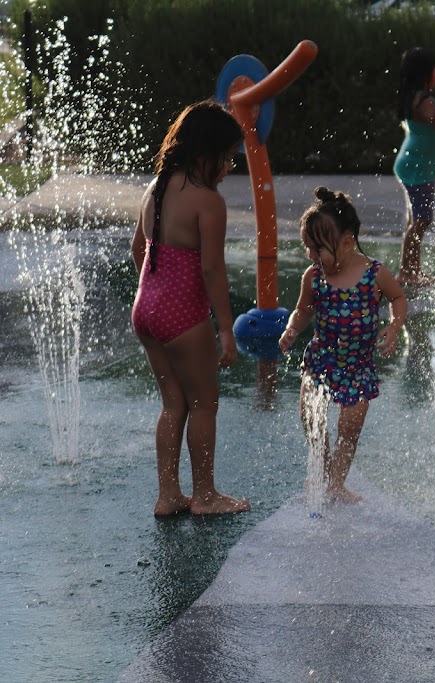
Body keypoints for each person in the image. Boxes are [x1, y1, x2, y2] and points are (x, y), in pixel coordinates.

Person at [130, 99, 251, 516]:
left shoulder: (156, 187)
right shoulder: (207, 202)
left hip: (146, 307)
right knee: (204, 402)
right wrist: (225, 328)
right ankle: (204, 496)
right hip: (181, 313)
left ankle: (167, 496)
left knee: (173, 403)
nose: (230, 166)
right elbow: (213, 269)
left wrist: (156, 292)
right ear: (206, 153)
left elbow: (137, 250)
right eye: (227, 156)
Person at [279, 187, 408, 503]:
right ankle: (320, 471)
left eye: (318, 249)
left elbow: (398, 298)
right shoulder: (314, 276)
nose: (311, 256)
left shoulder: (374, 274)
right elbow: (303, 309)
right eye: (307, 247)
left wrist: (395, 325)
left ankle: (336, 482)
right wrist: (293, 329)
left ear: (347, 242)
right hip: (321, 361)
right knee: (311, 420)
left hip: (357, 367)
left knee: (349, 431)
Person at [394, 47, 435, 289]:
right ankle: (407, 272)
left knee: (416, 220)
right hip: (416, 167)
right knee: (421, 220)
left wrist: (434, 163)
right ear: (427, 74)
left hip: (419, 164)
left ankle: (411, 270)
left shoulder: (415, 98)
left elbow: (425, 137)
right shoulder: (424, 100)